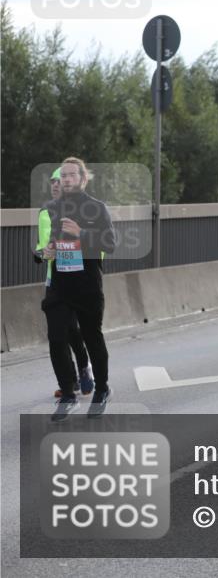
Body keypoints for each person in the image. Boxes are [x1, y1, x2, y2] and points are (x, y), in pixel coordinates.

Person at [44, 157, 117, 421]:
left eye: (71, 175)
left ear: (83, 179)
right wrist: (47, 251)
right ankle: (68, 393)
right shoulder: (53, 208)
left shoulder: (97, 208)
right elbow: (50, 242)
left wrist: (82, 233)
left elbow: (110, 243)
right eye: (62, 176)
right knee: (56, 338)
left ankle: (102, 388)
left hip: (87, 285)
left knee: (91, 337)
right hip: (60, 285)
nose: (66, 179)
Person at [35, 167, 93, 399]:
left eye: (61, 180)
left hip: (82, 281)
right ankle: (69, 382)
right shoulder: (45, 212)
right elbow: (43, 246)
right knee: (61, 333)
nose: (56, 185)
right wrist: (44, 252)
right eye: (53, 181)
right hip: (56, 282)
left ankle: (83, 368)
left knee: (73, 331)